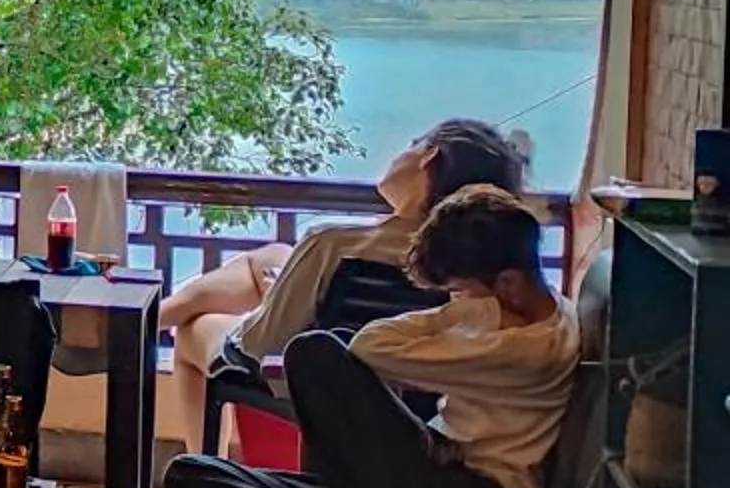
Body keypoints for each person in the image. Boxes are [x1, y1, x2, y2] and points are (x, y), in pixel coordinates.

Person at [163, 186, 579, 488]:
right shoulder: (547, 310)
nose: (456, 304)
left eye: (460, 292)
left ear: (508, 283)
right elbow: (366, 345)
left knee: (316, 354)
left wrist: (468, 311)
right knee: (189, 475)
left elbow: (370, 347)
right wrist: (475, 305)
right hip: (434, 485)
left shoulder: (522, 350)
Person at [159, 119, 528, 426]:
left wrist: (269, 306)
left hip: (320, 386)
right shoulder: (474, 273)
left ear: (428, 157)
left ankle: (151, 321)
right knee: (269, 258)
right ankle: (156, 315)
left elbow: (258, 344)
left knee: (194, 328)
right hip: (414, 401)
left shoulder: (335, 243)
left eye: (412, 144)